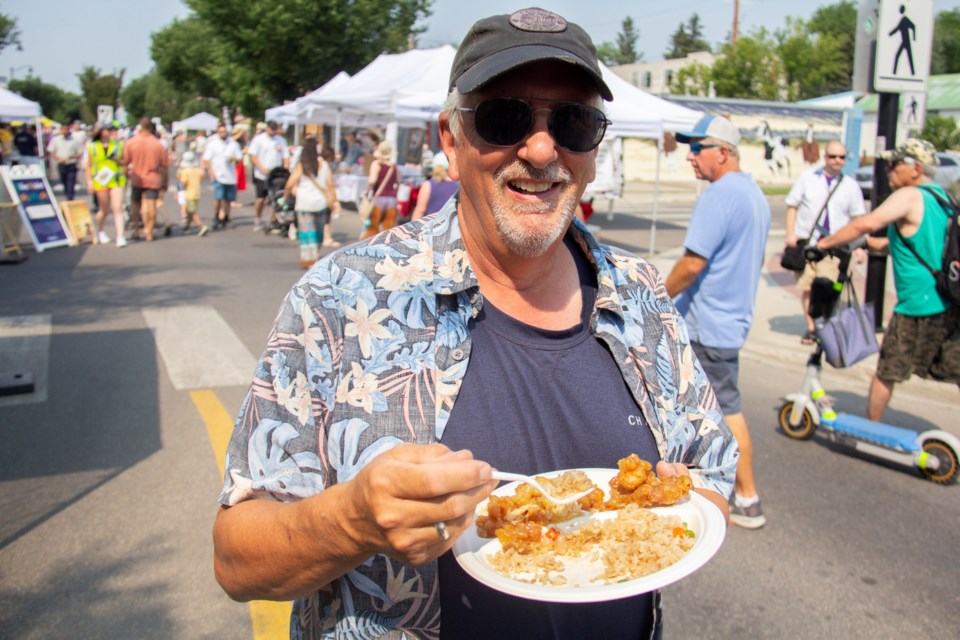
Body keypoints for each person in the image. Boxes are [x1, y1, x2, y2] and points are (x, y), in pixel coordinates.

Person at [213, 8, 736, 639]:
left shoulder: (642, 298)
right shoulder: (340, 299)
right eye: (505, 117)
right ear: (450, 137)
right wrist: (350, 520)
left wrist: (671, 502)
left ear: (594, 149)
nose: (542, 149)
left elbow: (710, 474)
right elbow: (237, 558)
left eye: (573, 123)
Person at [665, 114, 771, 530]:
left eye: (697, 148)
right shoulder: (753, 194)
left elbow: (692, 263)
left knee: (725, 411)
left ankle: (747, 499)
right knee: (710, 410)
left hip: (709, 323)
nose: (690, 156)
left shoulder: (720, 195)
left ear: (722, 152)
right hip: (731, 319)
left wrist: (656, 297)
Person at [817, 138, 960, 422]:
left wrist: (821, 246)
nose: (888, 171)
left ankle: (872, 429)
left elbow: (865, 223)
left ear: (915, 168)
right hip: (948, 299)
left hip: (918, 304)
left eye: (894, 165)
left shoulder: (910, 195)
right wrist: (866, 245)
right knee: (955, 370)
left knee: (887, 371)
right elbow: (913, 244)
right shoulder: (943, 199)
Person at [785, 140, 866, 344]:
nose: (837, 161)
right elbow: (792, 206)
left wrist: (858, 247)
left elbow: (858, 219)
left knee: (828, 287)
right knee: (807, 286)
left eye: (841, 157)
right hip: (809, 243)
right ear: (825, 157)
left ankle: (826, 324)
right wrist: (790, 233)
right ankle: (812, 327)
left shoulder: (850, 186)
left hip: (834, 247)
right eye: (833, 156)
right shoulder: (808, 179)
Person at [283, 135, 339, 268]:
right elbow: (330, 184)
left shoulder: (302, 165)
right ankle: (314, 256)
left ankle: (307, 258)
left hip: (304, 203)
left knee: (306, 231)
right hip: (320, 203)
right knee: (318, 230)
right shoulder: (323, 164)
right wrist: (334, 200)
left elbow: (290, 183)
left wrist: (285, 196)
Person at [123, 118, 170, 241]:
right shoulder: (157, 144)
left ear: (140, 127)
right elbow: (164, 166)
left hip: (136, 177)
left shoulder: (131, 142)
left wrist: (124, 176)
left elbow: (125, 162)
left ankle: (137, 230)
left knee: (135, 203)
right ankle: (149, 231)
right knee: (151, 205)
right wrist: (165, 182)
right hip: (152, 178)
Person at [85, 122, 128, 247]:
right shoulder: (92, 146)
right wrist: (89, 182)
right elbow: (88, 166)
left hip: (116, 179)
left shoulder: (118, 145)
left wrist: (117, 160)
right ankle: (100, 230)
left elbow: (125, 161)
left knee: (117, 207)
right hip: (101, 180)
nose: (111, 132)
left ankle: (120, 236)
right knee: (104, 209)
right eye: (109, 130)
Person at [247, 120, 289, 231]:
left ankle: (273, 220)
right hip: (261, 174)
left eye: (275, 129)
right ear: (267, 128)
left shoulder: (281, 140)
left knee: (275, 198)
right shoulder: (259, 140)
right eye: (271, 128)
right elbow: (252, 156)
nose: (273, 131)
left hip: (275, 175)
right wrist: (261, 168)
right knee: (260, 199)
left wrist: (285, 168)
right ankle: (258, 217)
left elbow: (286, 156)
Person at [201, 122, 243, 230]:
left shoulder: (233, 144)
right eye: (220, 132)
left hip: (230, 175)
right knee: (218, 197)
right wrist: (210, 171)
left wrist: (233, 159)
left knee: (228, 199)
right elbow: (206, 159)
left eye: (224, 131)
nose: (222, 133)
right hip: (218, 175)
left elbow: (239, 157)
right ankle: (216, 216)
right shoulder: (213, 144)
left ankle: (226, 217)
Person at [360, 141, 399, 238]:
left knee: (373, 226)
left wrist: (367, 191)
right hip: (392, 198)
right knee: (388, 228)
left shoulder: (376, 164)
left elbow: (372, 181)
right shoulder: (393, 167)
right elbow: (398, 182)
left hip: (379, 198)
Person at [411, 151, 458, 220]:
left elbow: (420, 210)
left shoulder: (428, 185)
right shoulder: (457, 186)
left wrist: (413, 229)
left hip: (431, 226)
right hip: (452, 226)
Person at [47, 122, 84, 201]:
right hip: (61, 164)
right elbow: (52, 151)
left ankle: (70, 198)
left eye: (66, 129)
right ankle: (68, 195)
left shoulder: (75, 140)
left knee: (71, 182)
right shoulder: (56, 140)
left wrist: (71, 156)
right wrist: (58, 158)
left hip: (71, 164)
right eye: (63, 129)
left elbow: (80, 152)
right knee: (64, 182)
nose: (65, 131)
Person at [175, 150, 209, 237]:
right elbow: (202, 175)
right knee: (189, 211)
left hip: (189, 193)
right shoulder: (197, 170)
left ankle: (201, 226)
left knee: (191, 212)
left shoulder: (185, 172)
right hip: (197, 192)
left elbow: (183, 183)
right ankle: (187, 227)